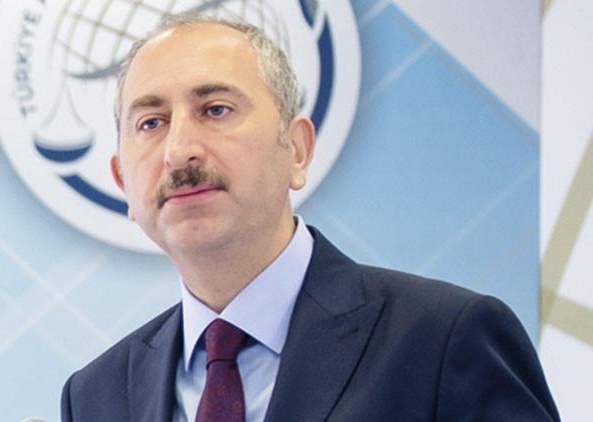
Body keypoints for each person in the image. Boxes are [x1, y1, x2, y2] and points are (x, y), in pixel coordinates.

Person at [61, 13, 559, 422]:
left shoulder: (444, 340)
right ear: (123, 182)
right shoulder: (94, 396)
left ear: (297, 150)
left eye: (215, 109)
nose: (179, 150)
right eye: (151, 122)